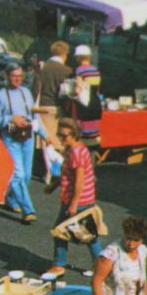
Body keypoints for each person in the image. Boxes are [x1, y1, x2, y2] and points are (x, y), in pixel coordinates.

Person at [0, 62, 39, 224]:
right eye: (13, 76)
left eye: (20, 76)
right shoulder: (1, 96)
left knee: (27, 175)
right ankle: (28, 210)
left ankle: (11, 199)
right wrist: (10, 119)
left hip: (28, 137)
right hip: (11, 138)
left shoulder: (26, 92)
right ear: (7, 77)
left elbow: (33, 116)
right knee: (18, 175)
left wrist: (45, 134)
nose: (17, 79)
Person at [52, 116, 103, 273]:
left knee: (62, 232)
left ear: (74, 134)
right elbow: (67, 175)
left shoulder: (77, 153)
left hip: (79, 201)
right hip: (80, 200)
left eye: (64, 135)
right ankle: (99, 265)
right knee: (88, 235)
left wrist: (73, 204)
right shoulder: (75, 149)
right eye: (59, 134)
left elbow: (79, 181)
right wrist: (53, 186)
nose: (61, 138)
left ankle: (59, 265)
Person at [93, 215, 147, 295]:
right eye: (128, 238)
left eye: (136, 240)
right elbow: (96, 282)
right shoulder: (110, 253)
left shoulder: (142, 251)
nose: (131, 244)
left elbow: (143, 279)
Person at [66, 44, 103, 141]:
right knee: (94, 136)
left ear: (78, 58)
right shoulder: (96, 71)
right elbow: (97, 90)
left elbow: (78, 90)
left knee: (84, 137)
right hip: (96, 104)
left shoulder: (79, 71)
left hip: (85, 105)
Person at [36, 39, 73, 111]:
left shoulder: (42, 67)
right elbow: (69, 94)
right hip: (57, 108)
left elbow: (35, 88)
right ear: (65, 54)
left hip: (40, 106)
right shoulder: (67, 71)